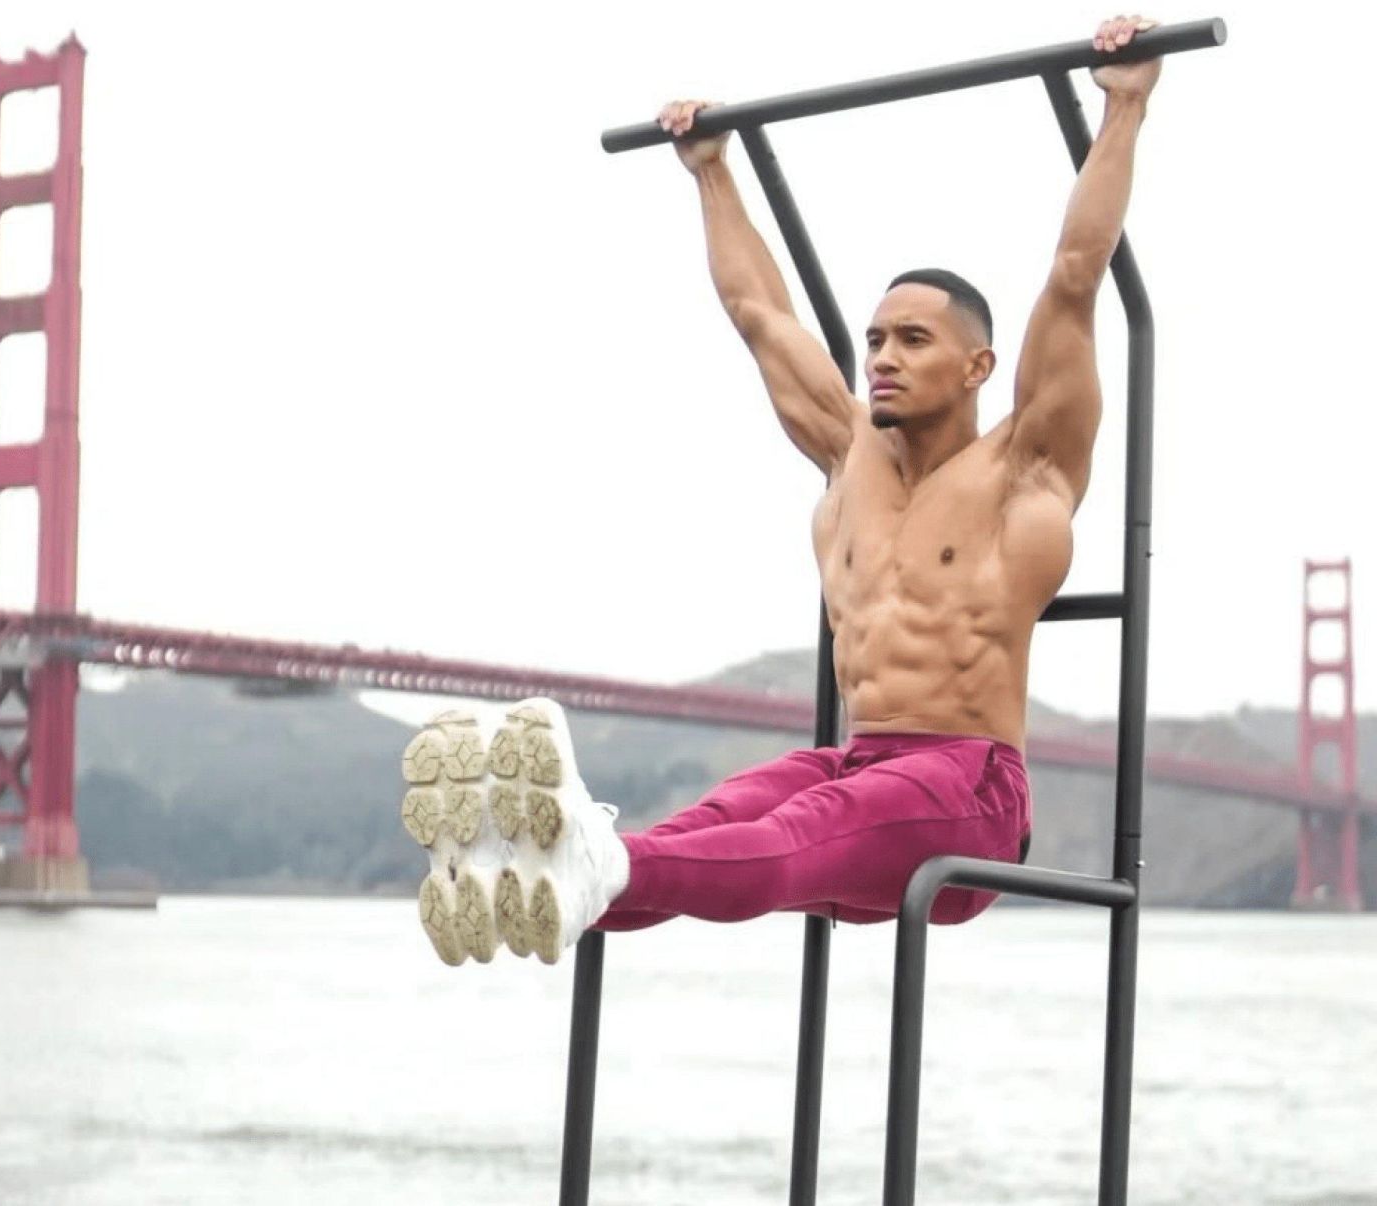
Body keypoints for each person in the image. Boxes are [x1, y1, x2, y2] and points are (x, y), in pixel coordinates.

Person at [400, 16, 1163, 966]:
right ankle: (543, 881)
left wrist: (1126, 102)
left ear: (978, 367)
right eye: (876, 339)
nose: (881, 357)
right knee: (727, 811)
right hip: (860, 761)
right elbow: (758, 312)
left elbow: (1077, 272)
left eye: (912, 341)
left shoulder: (1027, 467)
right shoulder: (850, 458)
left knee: (804, 828)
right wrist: (713, 169)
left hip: (970, 796)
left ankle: (595, 868)